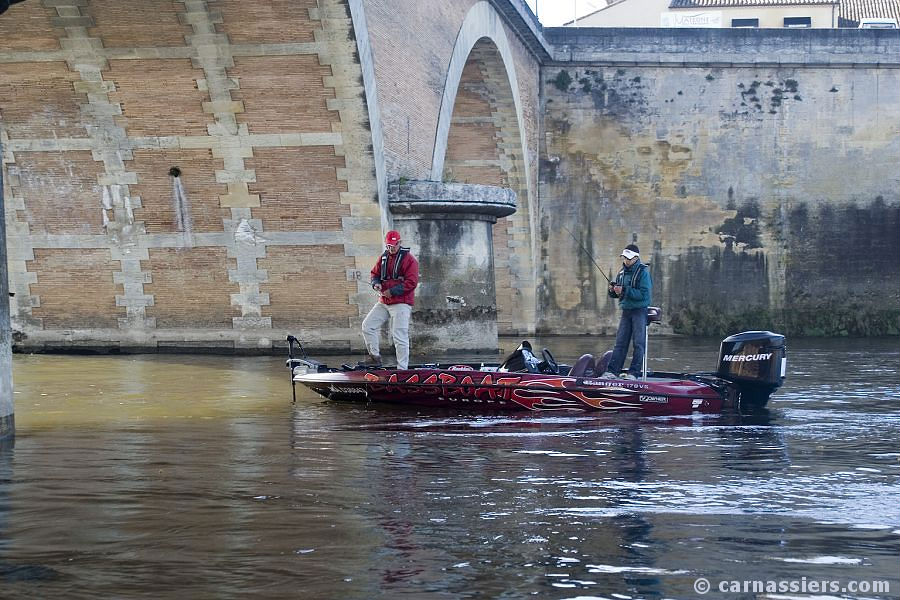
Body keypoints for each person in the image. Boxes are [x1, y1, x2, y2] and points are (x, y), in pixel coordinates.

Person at [361, 230, 419, 369]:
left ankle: (402, 369)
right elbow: (375, 274)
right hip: (384, 301)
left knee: (399, 335)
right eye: (388, 246)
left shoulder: (409, 260)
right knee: (367, 326)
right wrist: (376, 284)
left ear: (399, 243)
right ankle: (375, 358)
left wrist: (391, 291)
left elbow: (412, 282)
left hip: (402, 303)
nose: (390, 248)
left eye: (393, 245)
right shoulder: (384, 257)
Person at [602, 244, 652, 380]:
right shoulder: (621, 273)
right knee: (620, 343)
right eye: (625, 258)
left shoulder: (643, 272)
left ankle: (634, 373)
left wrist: (624, 290)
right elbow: (617, 294)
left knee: (638, 343)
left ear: (636, 258)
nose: (626, 261)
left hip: (639, 311)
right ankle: (612, 372)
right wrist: (612, 291)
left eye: (629, 258)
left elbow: (644, 295)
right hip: (626, 311)